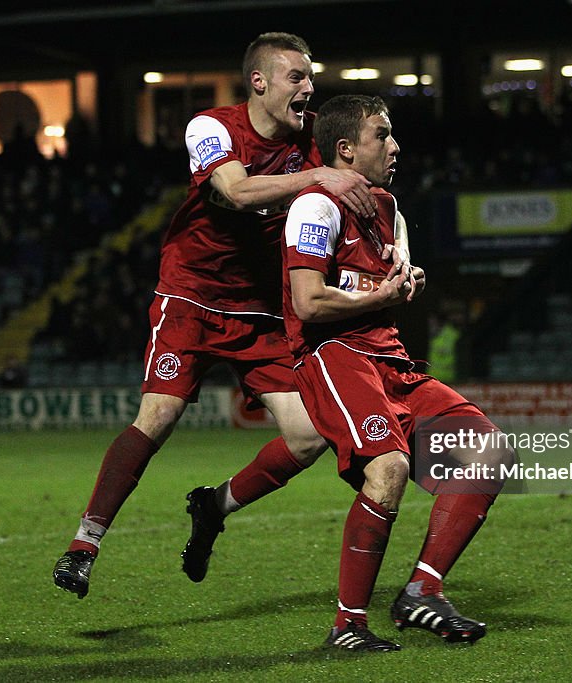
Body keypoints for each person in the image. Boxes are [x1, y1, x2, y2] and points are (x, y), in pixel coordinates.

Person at [53, 33, 401, 598]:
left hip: (261, 310)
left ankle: (215, 506)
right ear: (259, 82)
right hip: (192, 295)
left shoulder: (313, 145)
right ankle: (84, 544)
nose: (308, 88)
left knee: (309, 437)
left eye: (311, 77)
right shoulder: (211, 126)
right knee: (160, 415)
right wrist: (319, 176)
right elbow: (237, 192)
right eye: (297, 77)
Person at [282, 95, 510, 651]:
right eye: (381, 135)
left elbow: (383, 285)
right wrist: (379, 294)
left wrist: (402, 287)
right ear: (346, 150)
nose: (394, 145)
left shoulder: (389, 209)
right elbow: (307, 304)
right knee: (387, 469)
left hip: (392, 361)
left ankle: (422, 591)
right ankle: (347, 626)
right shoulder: (315, 208)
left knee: (489, 448)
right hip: (336, 356)